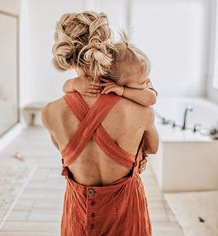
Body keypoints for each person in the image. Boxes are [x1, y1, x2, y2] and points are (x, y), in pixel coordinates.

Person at [41, 11, 159, 236]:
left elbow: (65, 154)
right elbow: (152, 148)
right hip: (127, 214)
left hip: (78, 216)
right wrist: (137, 154)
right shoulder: (139, 109)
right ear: (106, 46)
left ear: (64, 52)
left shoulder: (50, 112)